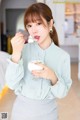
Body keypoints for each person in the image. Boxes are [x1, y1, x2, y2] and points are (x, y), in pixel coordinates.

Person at [5, 2, 72, 120]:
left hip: (49, 115)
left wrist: (52, 76)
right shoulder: (22, 50)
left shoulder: (63, 57)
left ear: (50, 23)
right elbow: (11, 84)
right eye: (29, 26)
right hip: (21, 114)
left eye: (38, 23)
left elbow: (62, 94)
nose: (33, 30)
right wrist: (16, 53)